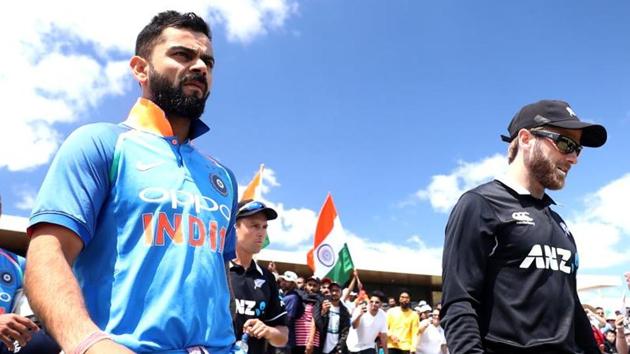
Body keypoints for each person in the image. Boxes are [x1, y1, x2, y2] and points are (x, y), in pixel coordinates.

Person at [25, 10, 238, 354]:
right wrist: (90, 344)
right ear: (140, 68)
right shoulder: (101, 142)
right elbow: (47, 256)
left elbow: (218, 276)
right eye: (183, 55)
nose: (200, 67)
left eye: (208, 62)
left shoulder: (223, 177)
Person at [441, 99, 607, 354]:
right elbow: (459, 303)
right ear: (526, 139)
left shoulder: (559, 224)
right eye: (565, 144)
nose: (573, 158)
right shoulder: (480, 204)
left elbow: (572, 308)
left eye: (578, 149)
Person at [230, 200, 289, 353]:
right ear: (234, 227)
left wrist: (268, 331)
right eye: (254, 226)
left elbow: (283, 337)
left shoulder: (268, 278)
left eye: (264, 227)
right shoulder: (216, 270)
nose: (261, 233)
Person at [313, 281, 351, 354]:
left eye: (337, 291)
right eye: (332, 290)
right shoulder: (321, 304)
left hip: (335, 349)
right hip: (320, 346)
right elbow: (316, 323)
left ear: (341, 293)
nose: (334, 293)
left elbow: (345, 332)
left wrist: (339, 348)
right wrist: (323, 312)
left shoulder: (345, 311)